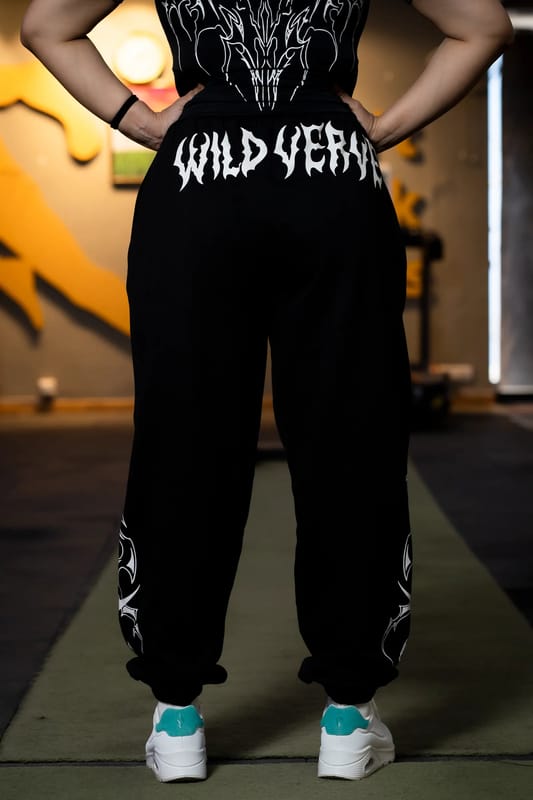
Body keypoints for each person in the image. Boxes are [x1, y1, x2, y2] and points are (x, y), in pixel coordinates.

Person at [21, 0, 513, 784]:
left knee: (184, 443)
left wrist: (141, 120)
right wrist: (380, 128)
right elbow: (482, 26)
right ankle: (348, 716)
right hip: (332, 180)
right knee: (350, 439)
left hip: (198, 182)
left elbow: (46, 26)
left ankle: (177, 715)